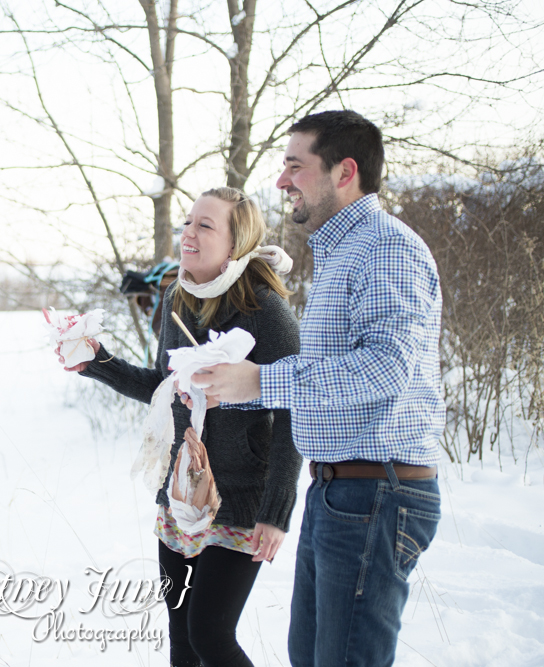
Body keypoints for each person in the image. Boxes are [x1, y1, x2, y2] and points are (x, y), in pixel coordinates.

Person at [195, 111, 444, 667]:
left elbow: (384, 368)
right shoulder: (341, 252)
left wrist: (262, 380)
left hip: (377, 492)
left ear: (344, 171)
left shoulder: (384, 249)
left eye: (295, 167)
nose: (282, 182)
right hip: (339, 491)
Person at [63, 187, 302, 667]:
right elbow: (162, 386)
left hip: (239, 501)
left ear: (235, 246)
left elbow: (296, 413)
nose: (188, 233)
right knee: (181, 638)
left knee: (210, 634)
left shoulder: (265, 313)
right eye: (188, 222)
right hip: (181, 493)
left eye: (205, 226)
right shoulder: (176, 297)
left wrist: (276, 509)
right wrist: (96, 361)